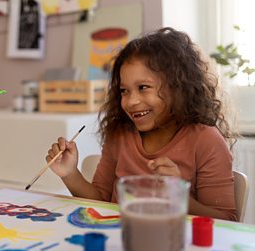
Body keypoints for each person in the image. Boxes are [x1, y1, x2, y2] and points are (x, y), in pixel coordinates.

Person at [46, 27, 237, 221]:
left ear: (179, 88)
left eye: (143, 87)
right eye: (124, 91)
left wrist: (179, 196)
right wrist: (70, 173)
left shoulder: (206, 140)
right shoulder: (120, 135)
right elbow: (101, 202)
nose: (130, 101)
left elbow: (227, 222)